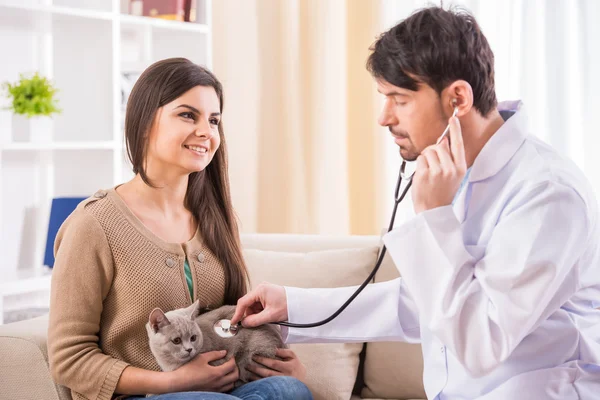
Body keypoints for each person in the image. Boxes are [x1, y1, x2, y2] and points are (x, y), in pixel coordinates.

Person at [231, 6, 600, 400]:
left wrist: (434, 218)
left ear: (457, 98)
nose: (384, 117)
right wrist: (293, 305)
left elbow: (481, 342)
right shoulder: (455, 175)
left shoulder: (547, 194)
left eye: (399, 99)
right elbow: (426, 301)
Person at [47, 58, 312, 400]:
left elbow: (231, 322)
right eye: (188, 115)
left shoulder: (215, 217)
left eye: (214, 120)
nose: (206, 131)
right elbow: (69, 360)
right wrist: (173, 382)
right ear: (144, 123)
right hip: (144, 396)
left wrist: (285, 365)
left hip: (224, 391)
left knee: (288, 390)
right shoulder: (93, 224)